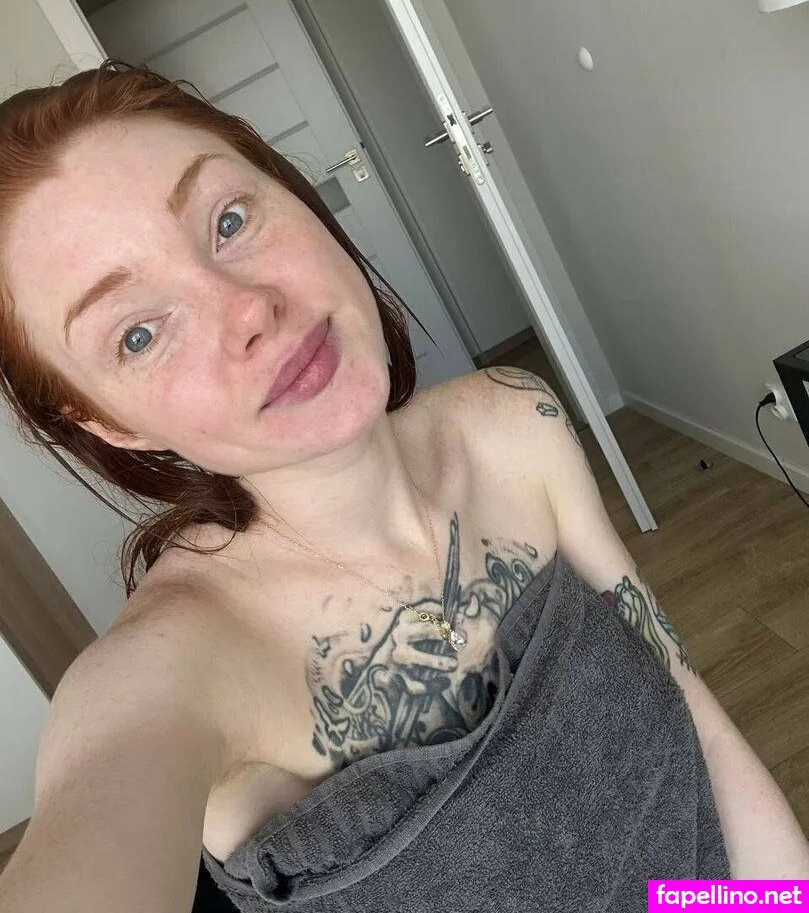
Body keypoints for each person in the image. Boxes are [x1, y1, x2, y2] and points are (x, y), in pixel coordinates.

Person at [0, 61, 806, 913]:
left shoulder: (510, 421)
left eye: (229, 220)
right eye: (137, 334)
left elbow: (690, 721)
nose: (247, 310)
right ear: (109, 423)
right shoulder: (174, 670)